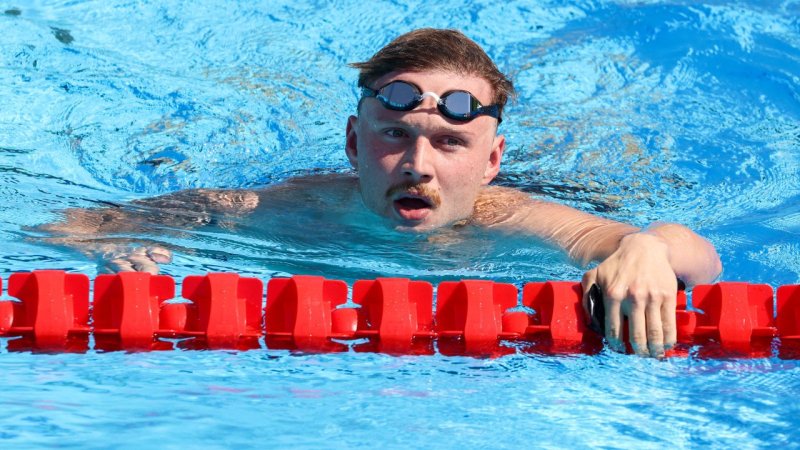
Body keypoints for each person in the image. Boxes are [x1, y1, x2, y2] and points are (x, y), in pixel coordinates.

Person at [42, 28, 722, 358]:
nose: (417, 164)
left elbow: (702, 259)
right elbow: (70, 225)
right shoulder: (299, 205)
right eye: (393, 135)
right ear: (351, 144)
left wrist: (644, 246)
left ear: (493, 161)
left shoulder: (513, 215)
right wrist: (118, 243)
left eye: (451, 143)